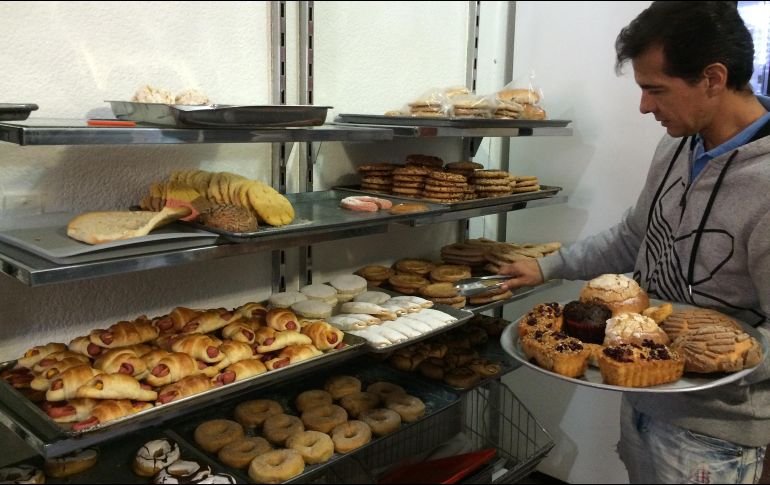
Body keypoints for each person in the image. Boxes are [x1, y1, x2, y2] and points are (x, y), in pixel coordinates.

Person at [498, 2, 770, 483]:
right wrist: (546, 267)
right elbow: (634, 235)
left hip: (714, 430)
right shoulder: (676, 144)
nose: (644, 106)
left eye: (655, 89)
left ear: (712, 78)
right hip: (641, 393)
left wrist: (718, 357)